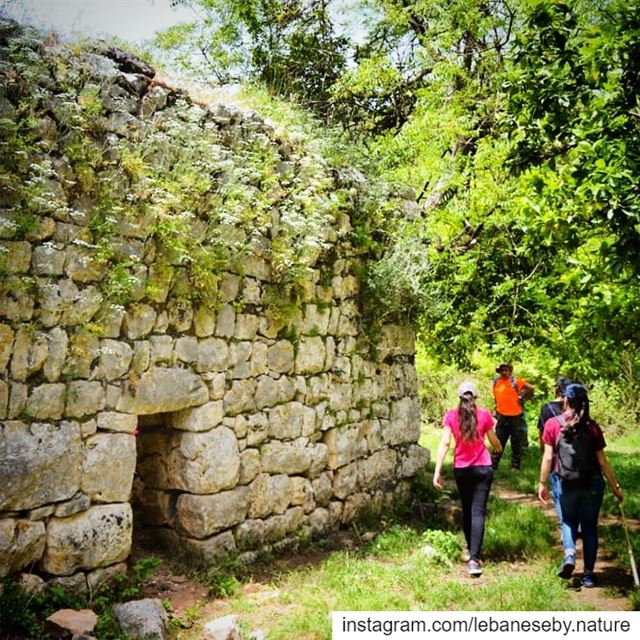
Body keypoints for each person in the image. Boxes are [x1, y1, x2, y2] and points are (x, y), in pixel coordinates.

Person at [538, 383, 623, 587]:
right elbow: (602, 462)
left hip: (564, 482)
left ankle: (569, 556)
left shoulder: (552, 424)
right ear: (586, 403)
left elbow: (548, 457)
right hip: (592, 483)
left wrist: (542, 483)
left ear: (565, 400)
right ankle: (588, 575)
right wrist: (615, 487)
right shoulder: (592, 427)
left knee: (568, 521)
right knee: (589, 527)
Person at [433, 381, 503, 577]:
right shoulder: (484, 414)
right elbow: (493, 439)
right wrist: (497, 449)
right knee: (478, 511)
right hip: (483, 468)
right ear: (476, 397)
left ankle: (470, 550)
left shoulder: (450, 416)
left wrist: (437, 471)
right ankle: (475, 558)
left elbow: (445, 442)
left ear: (459, 397)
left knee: (467, 509)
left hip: (462, 469)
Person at [491, 363, 534, 470]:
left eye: (506, 370)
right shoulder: (496, 382)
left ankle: (515, 466)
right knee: (499, 440)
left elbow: (531, 387)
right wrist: (496, 409)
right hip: (502, 415)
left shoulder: (515, 381)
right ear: (499, 372)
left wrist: (521, 395)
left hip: (516, 416)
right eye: (502, 370)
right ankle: (493, 465)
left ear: (510, 371)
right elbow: (496, 397)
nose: (504, 372)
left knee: (516, 441)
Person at [537, 376, 573, 452]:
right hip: (572, 447)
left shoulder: (547, 407)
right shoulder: (575, 406)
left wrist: (542, 448)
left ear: (556, 389)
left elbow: (542, 430)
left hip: (553, 447)